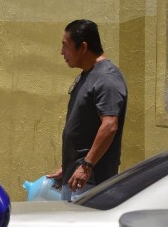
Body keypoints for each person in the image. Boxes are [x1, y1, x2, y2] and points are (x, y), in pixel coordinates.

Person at [47, 20, 128, 201]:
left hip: (90, 182)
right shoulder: (88, 75)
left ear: (83, 47)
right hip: (76, 177)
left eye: (65, 46)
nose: (62, 52)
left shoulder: (107, 77)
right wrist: (68, 167)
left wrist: (86, 166)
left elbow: (109, 126)